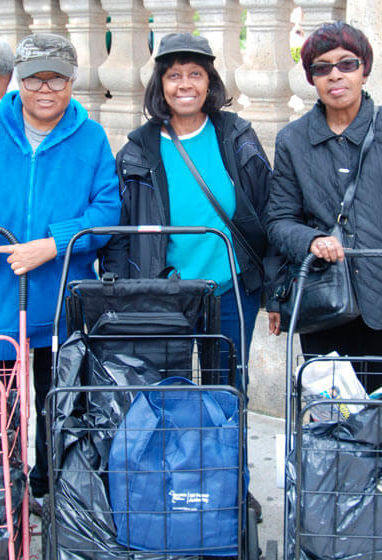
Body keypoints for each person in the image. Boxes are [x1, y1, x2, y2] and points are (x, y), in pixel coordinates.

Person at [0, 33, 121, 511]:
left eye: (57, 77)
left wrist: (53, 244)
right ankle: (3, 504)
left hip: (60, 307)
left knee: (58, 411)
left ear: (72, 81)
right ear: (18, 78)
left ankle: (53, 496)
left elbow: (108, 210)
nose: (45, 88)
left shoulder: (90, 136)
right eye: (35, 77)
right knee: (0, 413)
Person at [266, 21, 382, 392]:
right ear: (311, 78)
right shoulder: (292, 140)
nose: (335, 75)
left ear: (364, 69)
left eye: (346, 64)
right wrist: (312, 240)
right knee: (330, 416)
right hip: (324, 300)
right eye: (322, 67)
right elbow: (279, 219)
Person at [101, 32, 273, 386]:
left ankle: (228, 444)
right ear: (160, 84)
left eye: (195, 73)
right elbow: (119, 233)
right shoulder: (136, 151)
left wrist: (273, 291)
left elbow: (269, 212)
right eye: (174, 75)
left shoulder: (236, 136)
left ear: (209, 82)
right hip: (163, 295)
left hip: (231, 290)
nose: (185, 85)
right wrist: (118, 295)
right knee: (165, 395)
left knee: (227, 392)